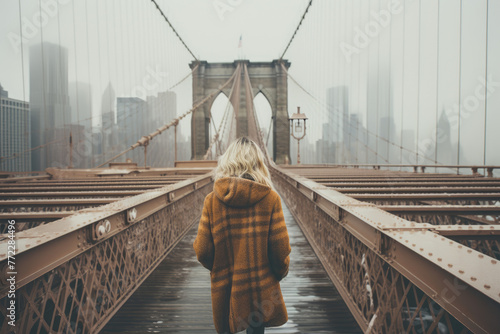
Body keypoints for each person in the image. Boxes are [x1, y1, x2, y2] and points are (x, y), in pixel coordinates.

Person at [193, 137, 291, 334]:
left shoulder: (212, 201)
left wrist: (221, 268)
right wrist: (278, 273)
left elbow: (202, 251)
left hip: (226, 285)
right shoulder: (270, 199)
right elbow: (280, 252)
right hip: (260, 287)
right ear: (258, 164)